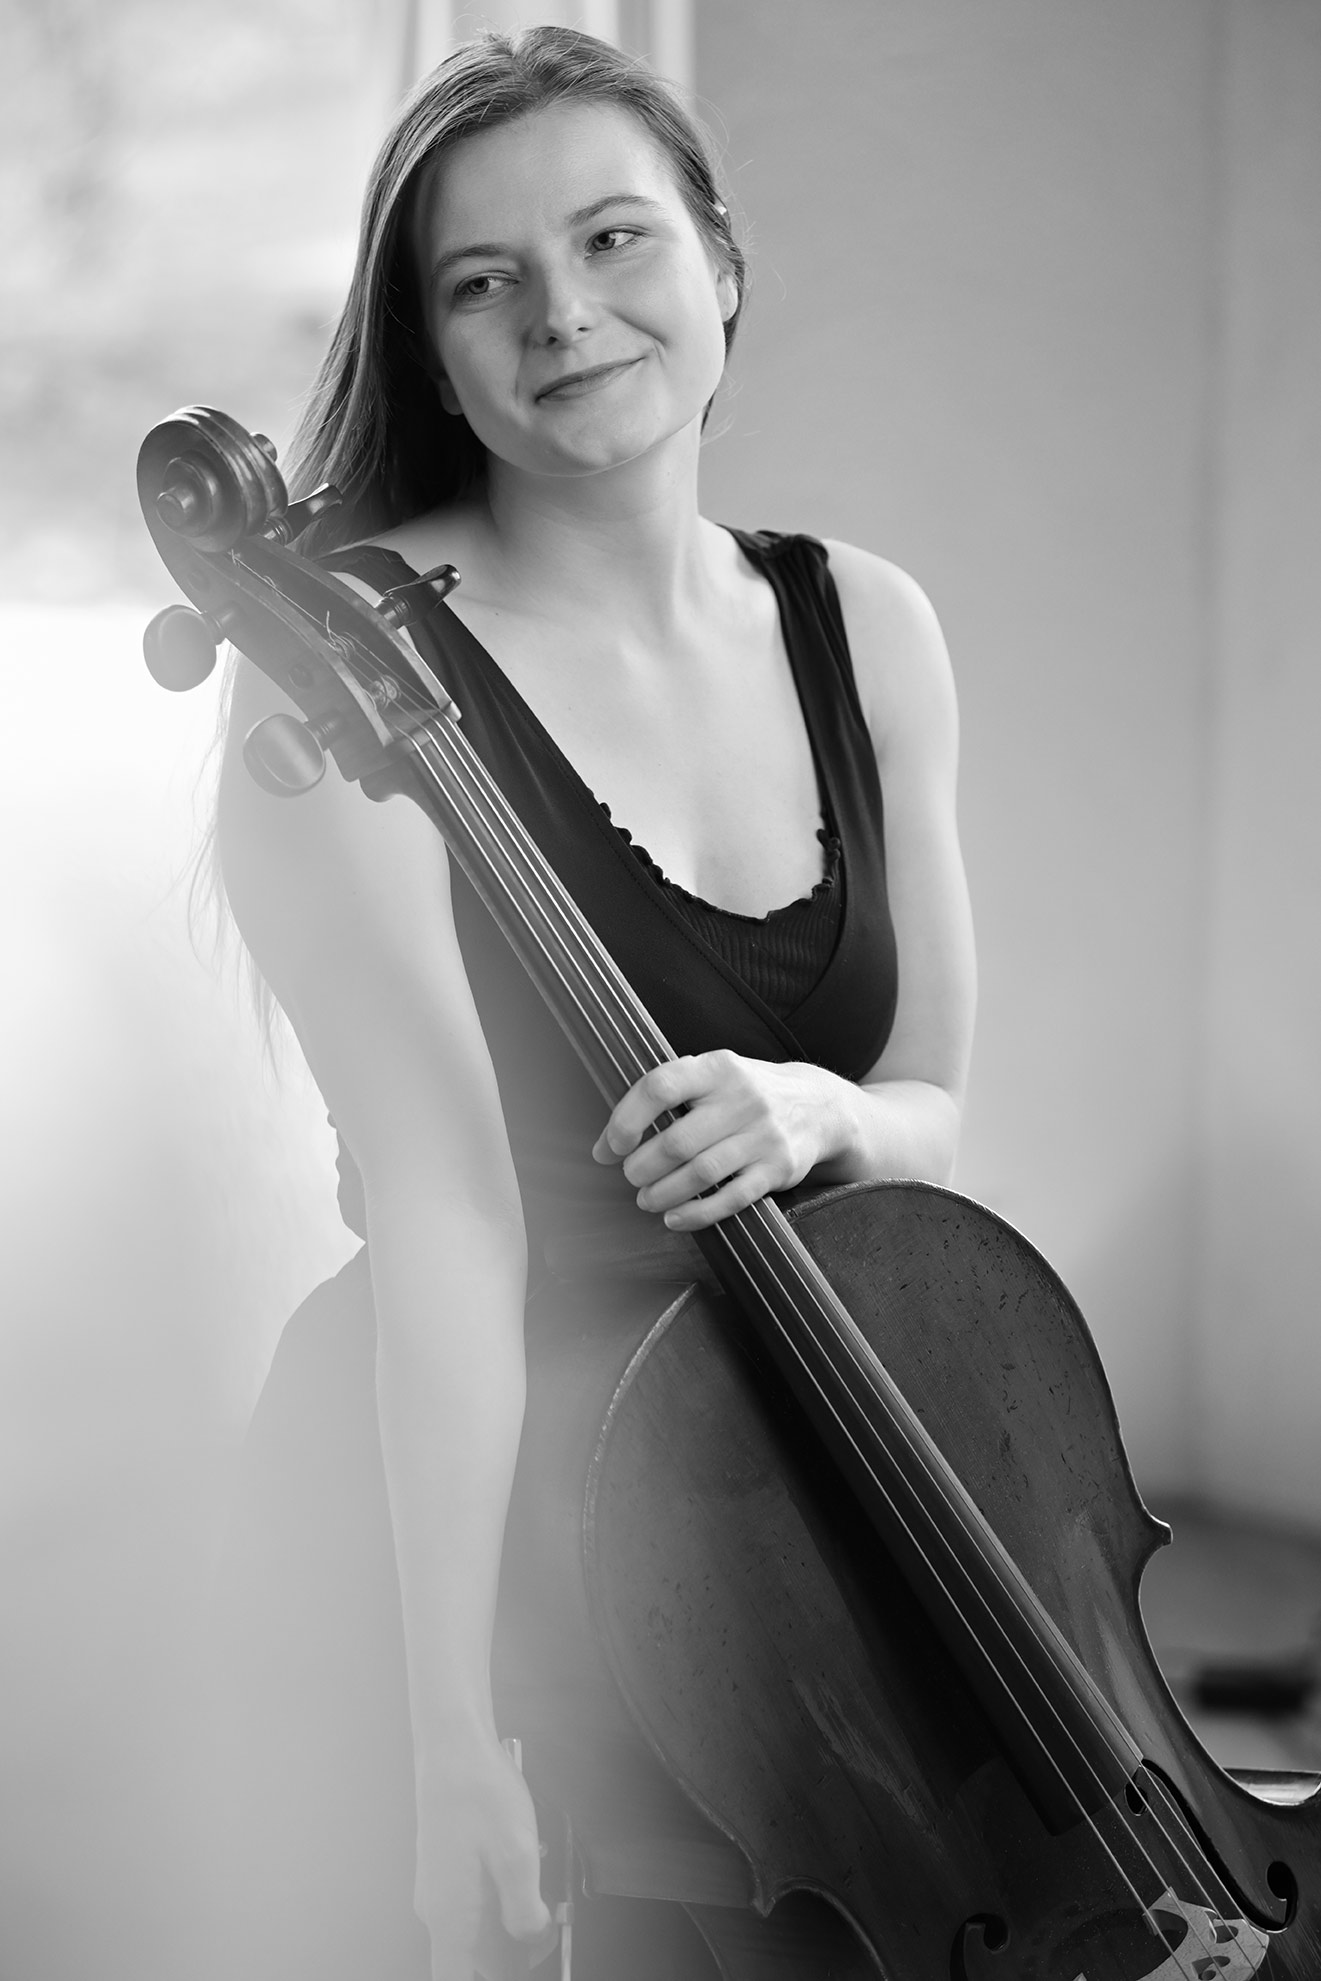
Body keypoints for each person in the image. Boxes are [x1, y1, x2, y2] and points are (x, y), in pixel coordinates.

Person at [214, 23, 975, 1981]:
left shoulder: (862, 623)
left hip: (788, 1475)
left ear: (721, 263)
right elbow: (452, 1219)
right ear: (435, 354)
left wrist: (821, 1116)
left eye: (615, 240)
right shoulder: (338, 671)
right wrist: (456, 1733)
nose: (564, 315)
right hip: (475, 1499)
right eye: (485, 284)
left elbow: (933, 1103)